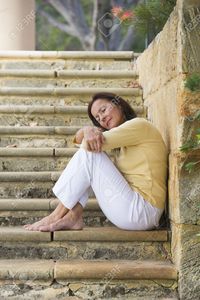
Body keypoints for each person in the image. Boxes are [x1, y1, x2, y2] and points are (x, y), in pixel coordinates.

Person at [24, 92, 168, 232]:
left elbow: (87, 146)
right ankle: (73, 215)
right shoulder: (122, 142)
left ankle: (56, 215)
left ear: (119, 105)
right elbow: (82, 141)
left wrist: (88, 131)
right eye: (98, 118)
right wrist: (88, 129)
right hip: (136, 211)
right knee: (91, 158)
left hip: (143, 210)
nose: (102, 118)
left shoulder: (139, 125)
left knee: (90, 155)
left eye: (103, 110)